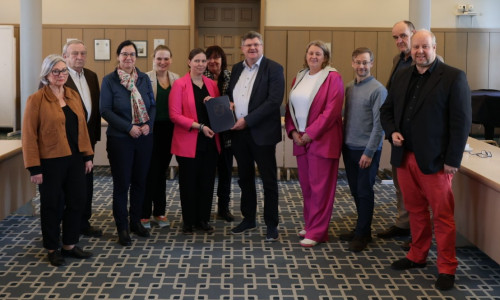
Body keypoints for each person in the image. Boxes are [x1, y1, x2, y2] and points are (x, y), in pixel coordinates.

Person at [380, 29, 471, 291]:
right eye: (416, 47)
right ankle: (417, 255)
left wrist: (453, 159)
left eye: (425, 47)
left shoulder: (453, 77)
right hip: (405, 157)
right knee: (416, 211)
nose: (420, 51)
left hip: (437, 161)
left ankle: (447, 267)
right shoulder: (402, 75)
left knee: (442, 216)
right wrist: (392, 131)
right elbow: (386, 111)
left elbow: (461, 123)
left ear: (434, 47)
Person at [22, 54, 94, 266]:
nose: (61, 75)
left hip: (75, 160)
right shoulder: (36, 99)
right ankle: (52, 248)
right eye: (56, 71)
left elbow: (82, 129)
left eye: (63, 71)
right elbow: (29, 135)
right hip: (50, 161)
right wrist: (34, 167)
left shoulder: (72, 94)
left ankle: (70, 244)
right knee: (52, 205)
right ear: (46, 75)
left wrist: (88, 155)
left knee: (77, 201)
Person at [284, 40, 344, 247]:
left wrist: (311, 133)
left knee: (321, 188)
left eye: (318, 53)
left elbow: (331, 111)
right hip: (300, 140)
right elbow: (290, 107)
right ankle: (311, 224)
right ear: (306, 55)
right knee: (307, 187)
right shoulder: (299, 77)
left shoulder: (333, 78)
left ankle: (318, 232)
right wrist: (292, 131)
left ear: (325, 57)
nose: (314, 57)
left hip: (322, 140)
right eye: (311, 53)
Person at [226, 31, 285, 241]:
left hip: (262, 134)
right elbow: (230, 94)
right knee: (245, 178)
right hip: (239, 134)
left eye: (256, 44)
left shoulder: (274, 68)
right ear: (242, 48)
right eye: (249, 45)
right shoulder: (235, 69)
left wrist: (247, 120)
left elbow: (274, 101)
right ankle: (248, 218)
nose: (253, 48)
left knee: (268, 180)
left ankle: (271, 224)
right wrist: (229, 106)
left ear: (262, 47)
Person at [100, 40, 156, 246]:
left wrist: (148, 123)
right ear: (118, 56)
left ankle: (135, 222)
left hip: (144, 138)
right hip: (121, 140)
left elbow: (152, 104)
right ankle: (122, 227)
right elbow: (105, 110)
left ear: (136, 57)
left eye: (132, 54)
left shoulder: (143, 79)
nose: (128, 58)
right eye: (124, 54)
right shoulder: (109, 80)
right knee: (122, 185)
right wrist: (128, 127)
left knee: (140, 182)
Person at [338, 47, 387, 252]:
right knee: (356, 191)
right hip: (349, 147)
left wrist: (369, 152)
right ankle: (362, 229)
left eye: (365, 62)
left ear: (372, 64)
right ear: (352, 63)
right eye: (358, 62)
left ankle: (362, 235)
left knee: (365, 191)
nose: (361, 66)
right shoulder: (349, 87)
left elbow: (379, 125)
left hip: (366, 150)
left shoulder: (378, 90)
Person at [169, 48, 221, 235]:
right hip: (188, 142)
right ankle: (189, 221)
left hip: (210, 141)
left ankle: (203, 219)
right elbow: (174, 115)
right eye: (196, 61)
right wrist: (198, 126)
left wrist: (213, 105)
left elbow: (218, 112)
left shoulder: (212, 85)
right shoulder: (180, 85)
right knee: (188, 183)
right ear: (189, 62)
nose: (200, 64)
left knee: (207, 183)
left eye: (203, 61)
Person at [376, 21, 415, 242]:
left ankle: (418, 232)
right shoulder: (397, 60)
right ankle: (403, 224)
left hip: (418, 136)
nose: (399, 41)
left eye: (403, 36)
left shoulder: (433, 62)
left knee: (418, 187)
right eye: (395, 37)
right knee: (400, 181)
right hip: (398, 133)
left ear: (414, 34)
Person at [61, 39, 102, 238]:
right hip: (66, 144)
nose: (79, 57)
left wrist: (94, 138)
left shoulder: (92, 76)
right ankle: (68, 225)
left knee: (87, 184)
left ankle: (84, 222)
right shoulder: (58, 78)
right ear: (65, 57)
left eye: (83, 53)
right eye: (74, 53)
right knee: (68, 187)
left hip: (88, 143)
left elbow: (94, 111)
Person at [140, 45, 179, 229]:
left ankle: (160, 212)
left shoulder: (176, 79)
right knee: (149, 172)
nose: (162, 62)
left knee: (161, 171)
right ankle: (144, 213)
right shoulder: (144, 78)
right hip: (150, 131)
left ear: (171, 60)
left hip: (170, 131)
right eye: (159, 59)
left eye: (166, 59)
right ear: (153, 59)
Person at [204, 45, 234, 222]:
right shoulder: (201, 78)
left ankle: (224, 208)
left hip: (227, 134)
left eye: (217, 57)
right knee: (207, 174)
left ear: (222, 60)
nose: (213, 61)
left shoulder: (231, 77)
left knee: (226, 173)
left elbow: (237, 100)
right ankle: (205, 208)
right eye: (210, 58)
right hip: (207, 134)